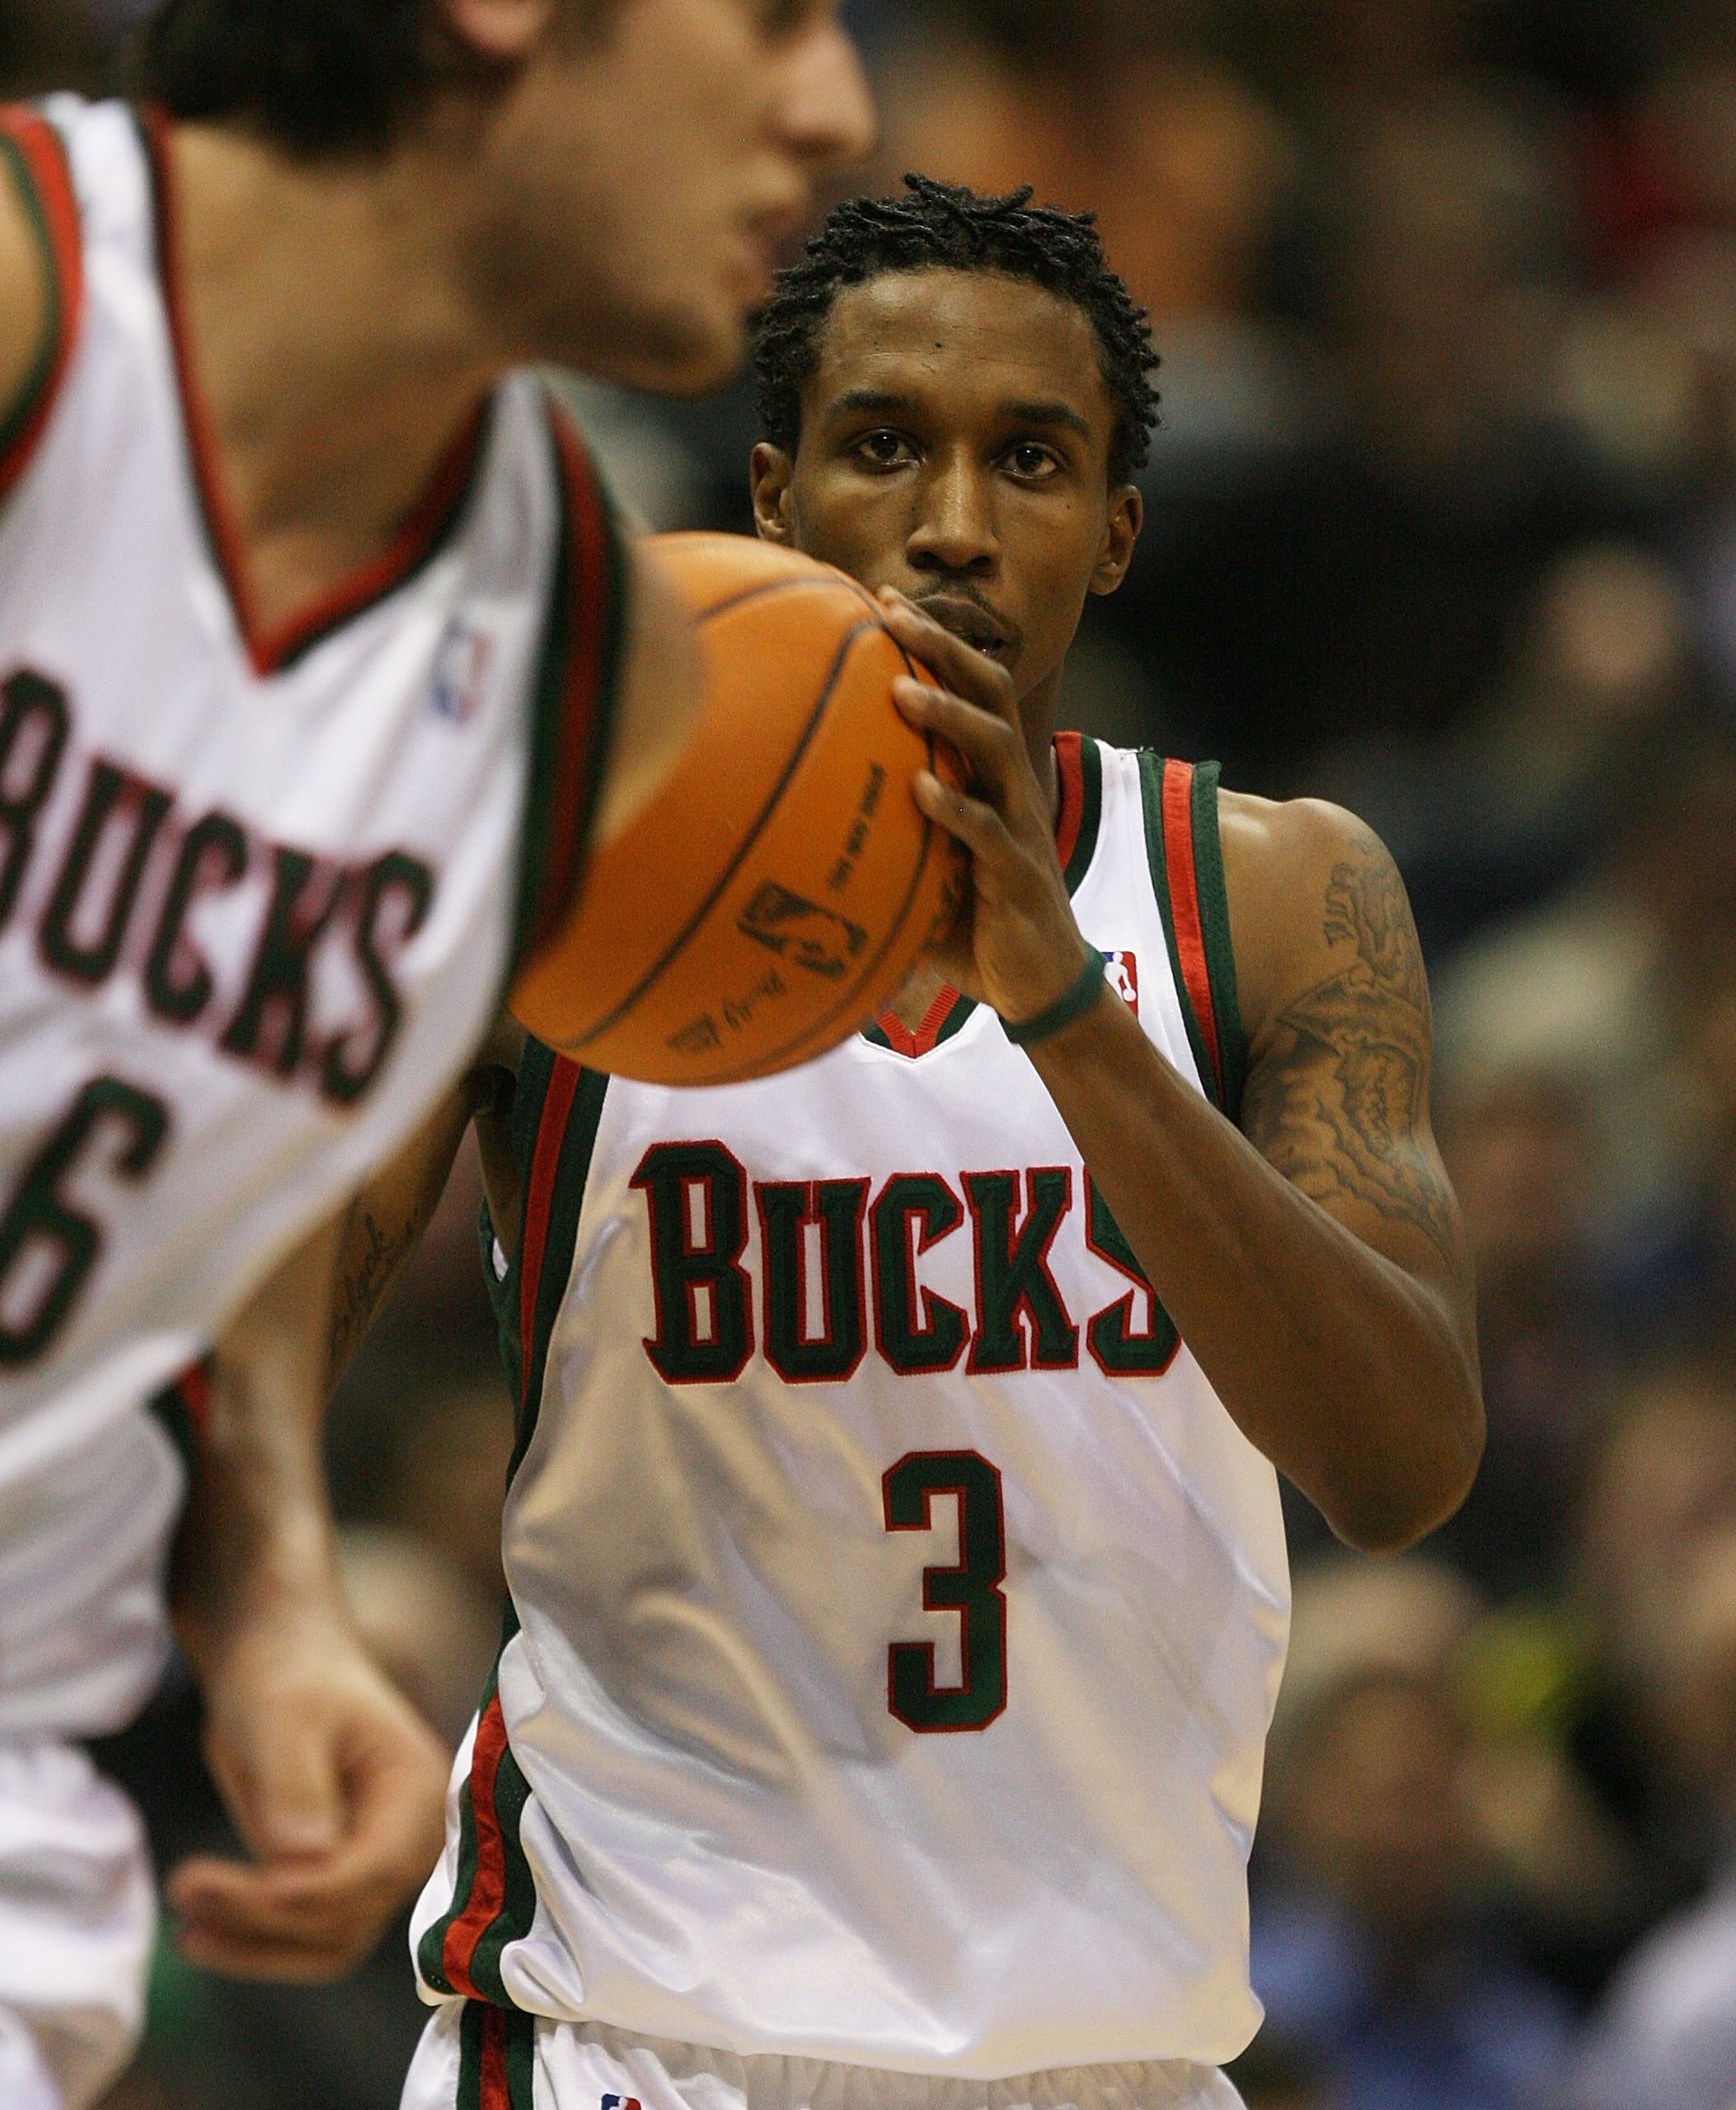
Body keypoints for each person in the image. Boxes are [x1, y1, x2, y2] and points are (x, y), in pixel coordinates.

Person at [340, 176, 1482, 2110]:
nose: (954, 525)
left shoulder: (1271, 896)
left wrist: (1066, 1011)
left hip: (1105, 2051)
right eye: (887, 449)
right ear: (777, 499)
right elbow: (218, 1373)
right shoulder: (551, 880)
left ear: (1116, 533)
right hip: (634, 2033)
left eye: (1029, 461)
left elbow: (1401, 1462)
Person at [0, 0, 880, 2101]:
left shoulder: (591, 657)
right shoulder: (40, 304)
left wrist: (267, 1584)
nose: (839, 105)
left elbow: (238, 1197)